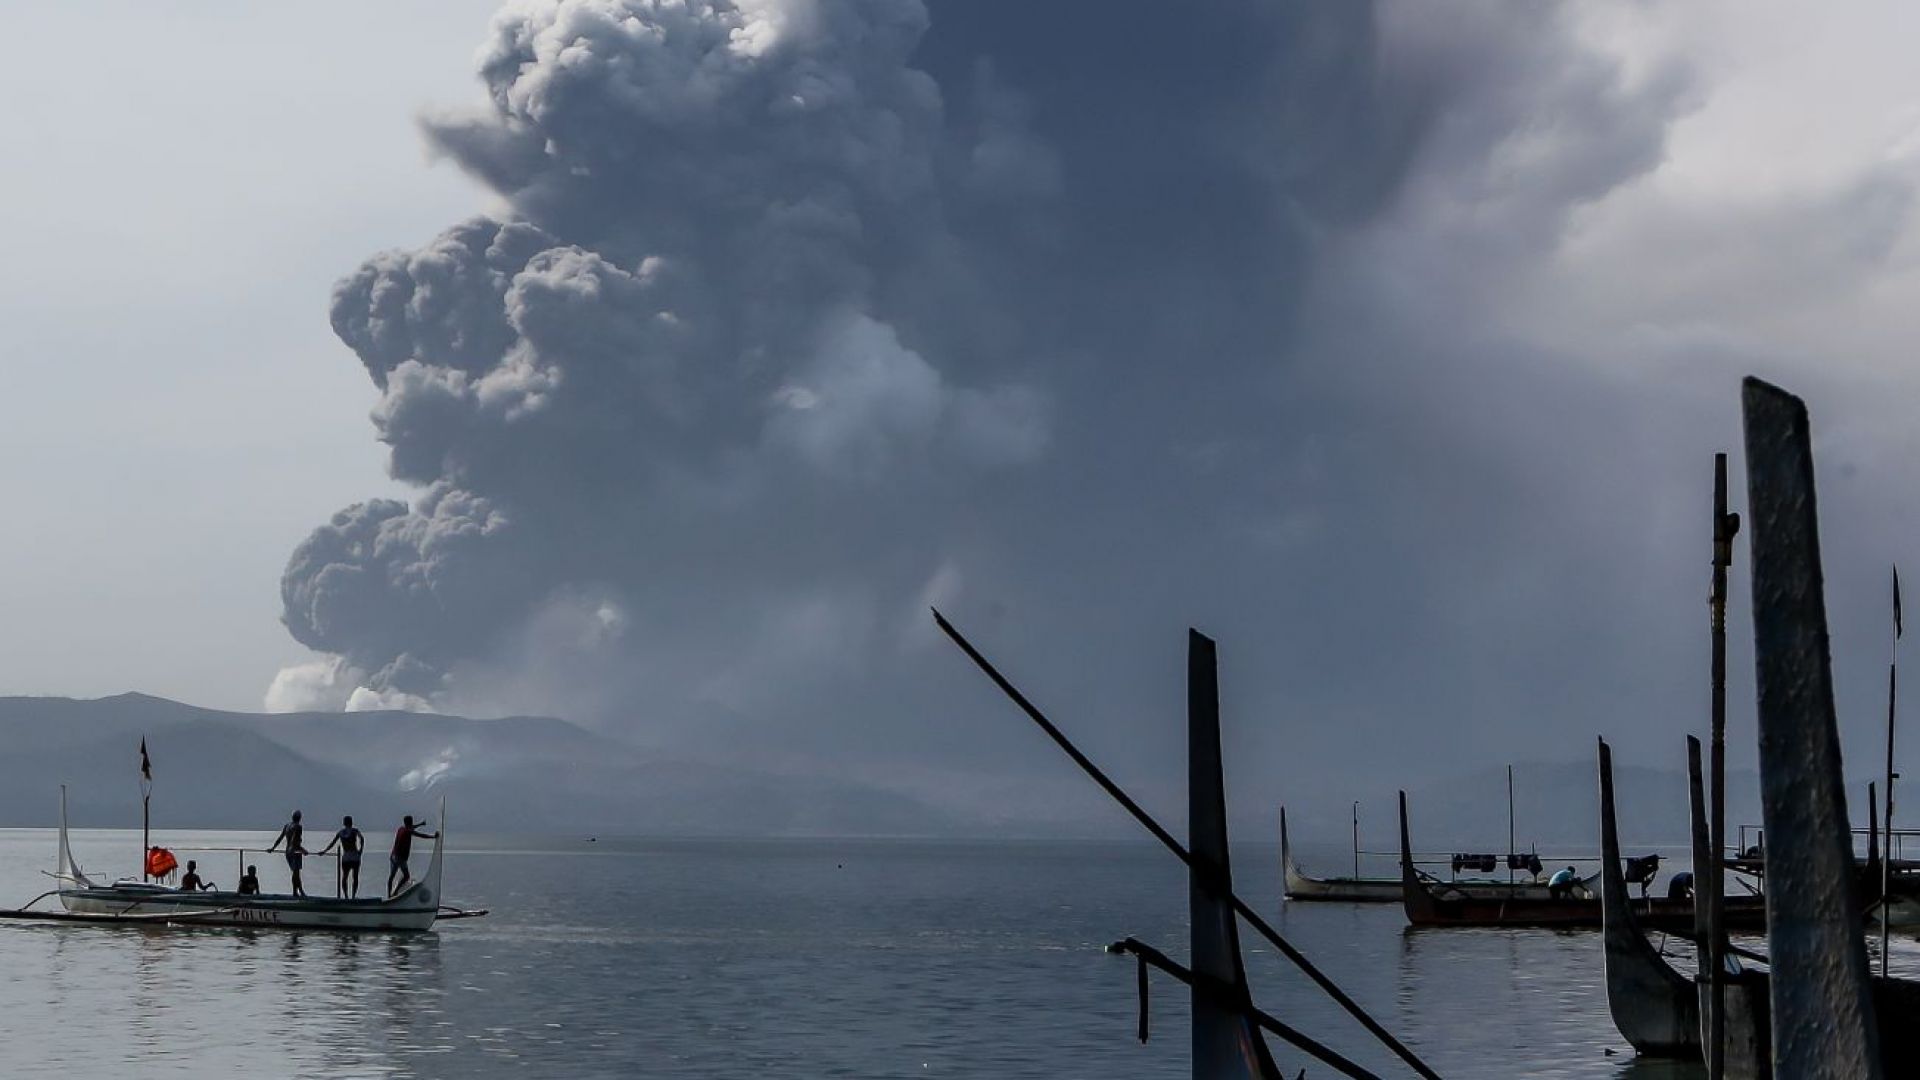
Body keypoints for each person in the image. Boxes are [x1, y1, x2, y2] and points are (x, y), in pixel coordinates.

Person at [388, 814, 438, 898]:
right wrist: (433, 837)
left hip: (393, 856)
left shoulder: (401, 829)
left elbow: (412, 828)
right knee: (406, 876)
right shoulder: (408, 831)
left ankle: (389, 895)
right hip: (400, 858)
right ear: (410, 822)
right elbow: (421, 835)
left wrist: (420, 824)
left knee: (391, 877)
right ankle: (395, 892)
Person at [319, 815, 365, 898]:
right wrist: (360, 850)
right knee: (355, 877)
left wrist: (324, 851)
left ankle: (346, 896)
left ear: (344, 823)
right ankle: (353, 896)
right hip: (355, 856)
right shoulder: (355, 831)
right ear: (351, 823)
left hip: (346, 857)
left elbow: (332, 843)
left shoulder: (341, 833)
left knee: (344, 877)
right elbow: (362, 838)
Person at [267, 810, 308, 897]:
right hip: (295, 851)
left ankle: (297, 892)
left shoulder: (287, 826)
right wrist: (303, 850)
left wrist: (273, 848)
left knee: (295, 873)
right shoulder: (298, 827)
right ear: (300, 818)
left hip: (288, 851)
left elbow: (280, 838)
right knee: (296, 873)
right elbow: (295, 841)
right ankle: (299, 891)